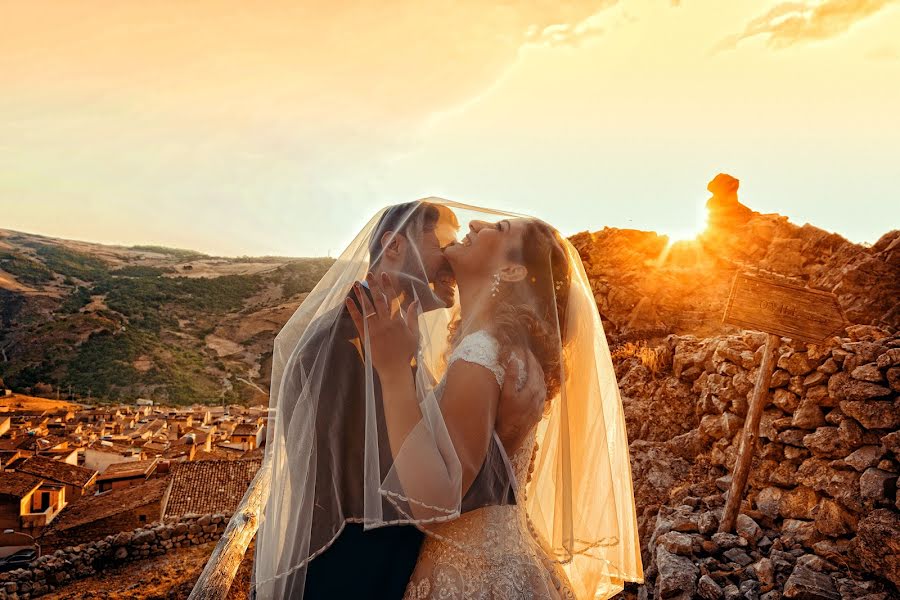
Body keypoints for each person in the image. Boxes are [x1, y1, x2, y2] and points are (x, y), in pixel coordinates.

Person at [252, 201, 548, 599]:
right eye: (441, 243)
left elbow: (435, 459)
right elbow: (365, 492)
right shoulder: (339, 343)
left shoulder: (398, 338)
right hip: (353, 575)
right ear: (394, 247)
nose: (448, 258)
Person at [347, 213, 644, 599]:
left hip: (466, 570)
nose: (474, 227)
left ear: (513, 270)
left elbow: (434, 501)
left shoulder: (482, 352)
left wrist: (392, 373)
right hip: (505, 554)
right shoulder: (506, 351)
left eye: (497, 229)